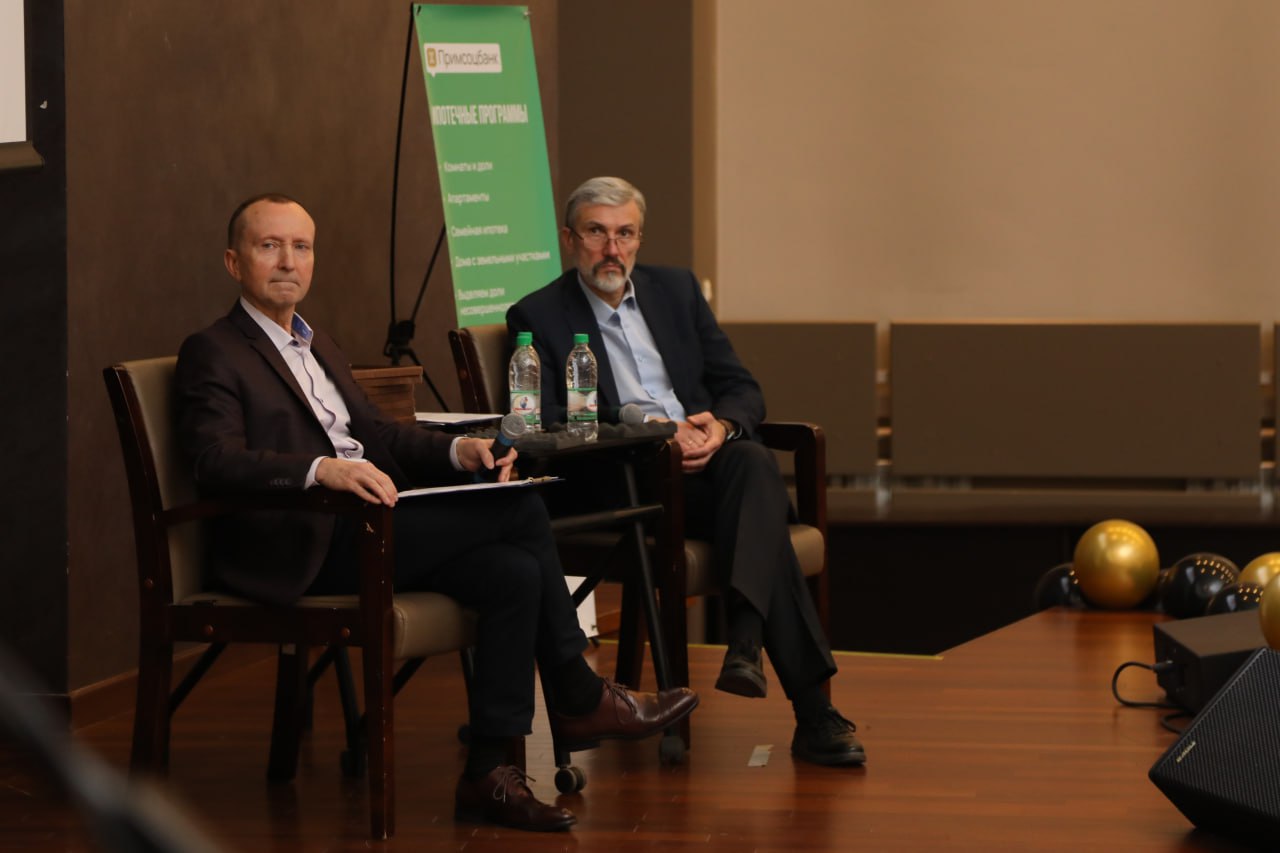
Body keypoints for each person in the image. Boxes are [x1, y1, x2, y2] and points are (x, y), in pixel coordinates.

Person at [174, 192, 699, 832]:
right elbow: (214, 460)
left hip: (368, 525)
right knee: (519, 506)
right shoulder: (214, 350)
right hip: (304, 540)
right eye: (269, 246)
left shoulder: (317, 344)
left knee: (512, 572)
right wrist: (321, 469)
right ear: (234, 262)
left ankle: (488, 774)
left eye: (301, 247)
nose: (288, 260)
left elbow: (379, 434)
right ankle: (577, 693)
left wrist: (460, 450)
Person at [507, 176, 864, 767]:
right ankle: (802, 702)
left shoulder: (675, 291)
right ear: (570, 239)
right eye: (597, 233)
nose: (612, 249)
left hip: (710, 472)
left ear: (640, 239)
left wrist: (721, 427)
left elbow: (741, 387)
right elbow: (547, 419)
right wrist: (653, 430)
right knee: (759, 500)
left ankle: (749, 644)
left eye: (625, 234)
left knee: (749, 457)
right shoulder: (539, 314)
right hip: (626, 482)